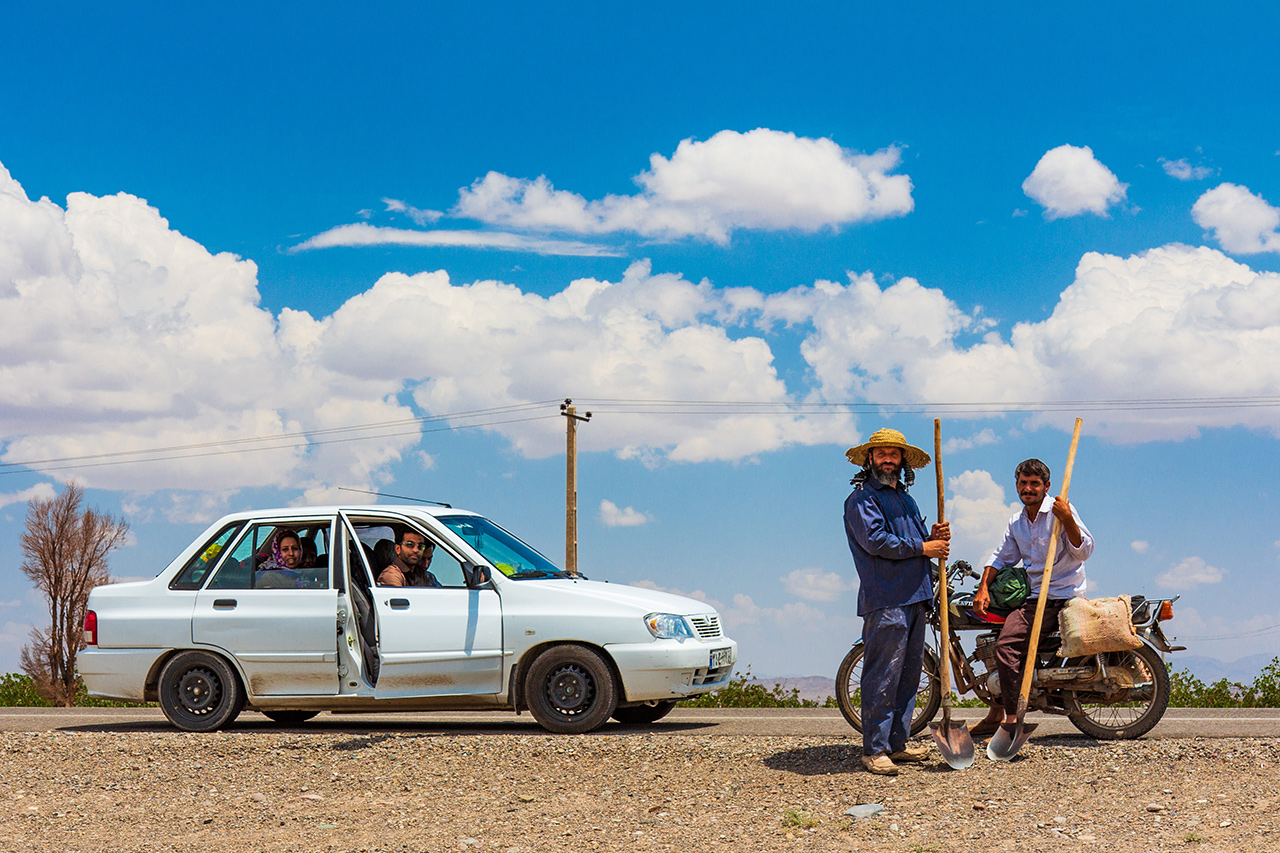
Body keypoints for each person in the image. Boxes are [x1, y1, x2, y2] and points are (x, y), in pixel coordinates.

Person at [844, 428, 951, 775]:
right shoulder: (861, 500)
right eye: (881, 454)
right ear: (870, 459)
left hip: (917, 595)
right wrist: (924, 547)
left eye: (894, 454)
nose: (888, 459)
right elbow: (877, 541)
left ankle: (897, 744)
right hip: (886, 597)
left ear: (902, 461)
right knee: (883, 675)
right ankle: (874, 749)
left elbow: (917, 541)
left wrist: (933, 538)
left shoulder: (906, 499)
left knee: (908, 676)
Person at [970, 458, 1094, 738]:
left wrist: (1068, 519)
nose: (1028, 488)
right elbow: (1002, 557)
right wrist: (983, 588)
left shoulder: (1061, 510)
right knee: (1003, 632)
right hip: (1037, 594)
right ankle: (997, 709)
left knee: (1007, 646)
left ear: (1046, 486)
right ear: (1016, 486)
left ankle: (1013, 718)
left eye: (1034, 483)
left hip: (1062, 594)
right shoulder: (1017, 522)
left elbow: (1084, 551)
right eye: (1023, 483)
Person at [377, 527, 443, 588]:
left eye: (420, 546)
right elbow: (399, 600)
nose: (416, 550)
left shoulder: (420, 573)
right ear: (398, 549)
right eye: (410, 544)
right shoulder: (392, 574)